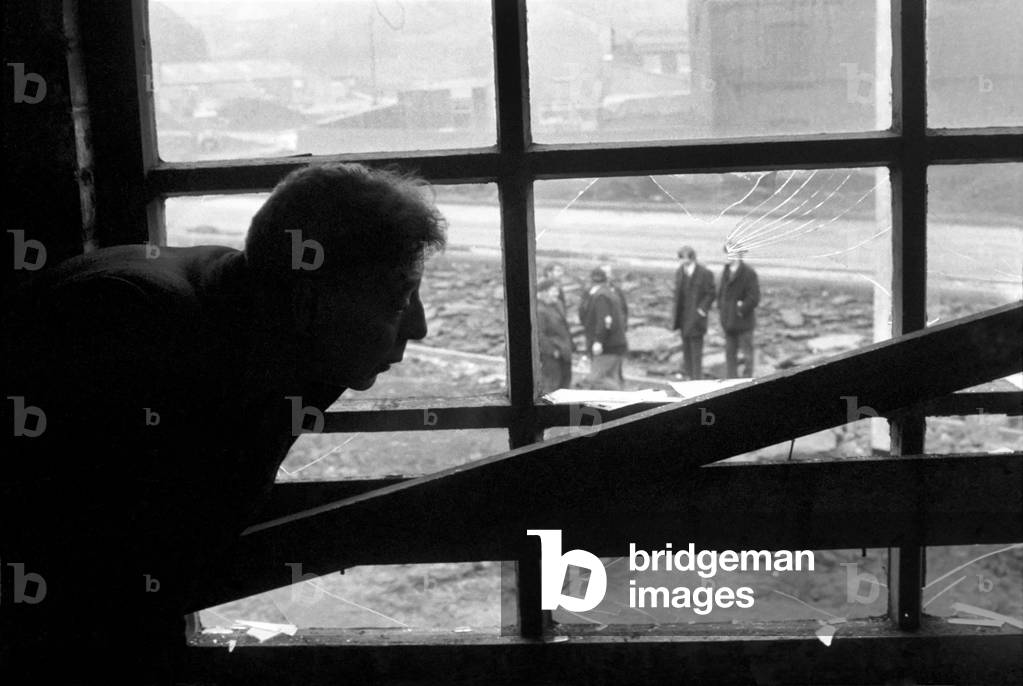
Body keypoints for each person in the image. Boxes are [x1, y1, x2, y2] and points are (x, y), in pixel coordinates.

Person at [1, 163, 446, 685]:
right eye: (398, 300)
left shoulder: (276, 330)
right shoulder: (129, 326)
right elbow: (80, 570)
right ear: (307, 301)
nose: (419, 326)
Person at [671, 246, 716, 380]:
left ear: (692, 257)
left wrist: (702, 310)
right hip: (683, 318)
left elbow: (711, 293)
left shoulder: (704, 273)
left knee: (696, 353)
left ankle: (697, 379)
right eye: (681, 258)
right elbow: (677, 295)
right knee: (686, 351)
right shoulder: (679, 272)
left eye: (685, 257)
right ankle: (689, 378)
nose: (682, 261)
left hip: (697, 319)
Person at [580, 267, 628, 390]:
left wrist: (598, 341)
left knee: (596, 379)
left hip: (607, 346)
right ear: (606, 280)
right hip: (616, 344)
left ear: (591, 280)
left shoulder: (600, 296)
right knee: (611, 377)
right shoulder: (609, 293)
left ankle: (622, 394)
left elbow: (604, 320)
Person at [718, 245, 760, 378]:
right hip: (728, 323)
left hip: (744, 324)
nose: (727, 257)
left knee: (747, 356)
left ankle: (747, 385)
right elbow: (721, 295)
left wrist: (740, 309)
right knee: (730, 356)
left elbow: (754, 298)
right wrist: (723, 312)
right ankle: (731, 386)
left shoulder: (749, 273)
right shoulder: (725, 271)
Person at [536, 277, 573, 393]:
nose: (557, 294)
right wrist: (552, 351)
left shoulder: (557, 305)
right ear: (543, 292)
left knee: (565, 384)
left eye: (557, 290)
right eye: (554, 291)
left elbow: (564, 327)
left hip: (564, 352)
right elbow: (539, 335)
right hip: (551, 355)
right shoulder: (538, 310)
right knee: (552, 385)